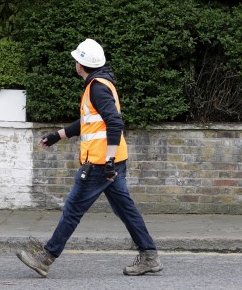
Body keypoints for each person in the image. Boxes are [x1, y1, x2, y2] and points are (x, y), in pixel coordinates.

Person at [16, 38, 162, 278]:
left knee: (73, 208)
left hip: (100, 163)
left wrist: (108, 161)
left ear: (80, 65)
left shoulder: (96, 87)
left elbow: (115, 122)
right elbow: (89, 122)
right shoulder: (101, 83)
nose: (75, 63)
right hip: (113, 159)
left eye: (76, 60)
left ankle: (46, 258)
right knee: (125, 209)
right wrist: (58, 136)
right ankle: (149, 256)